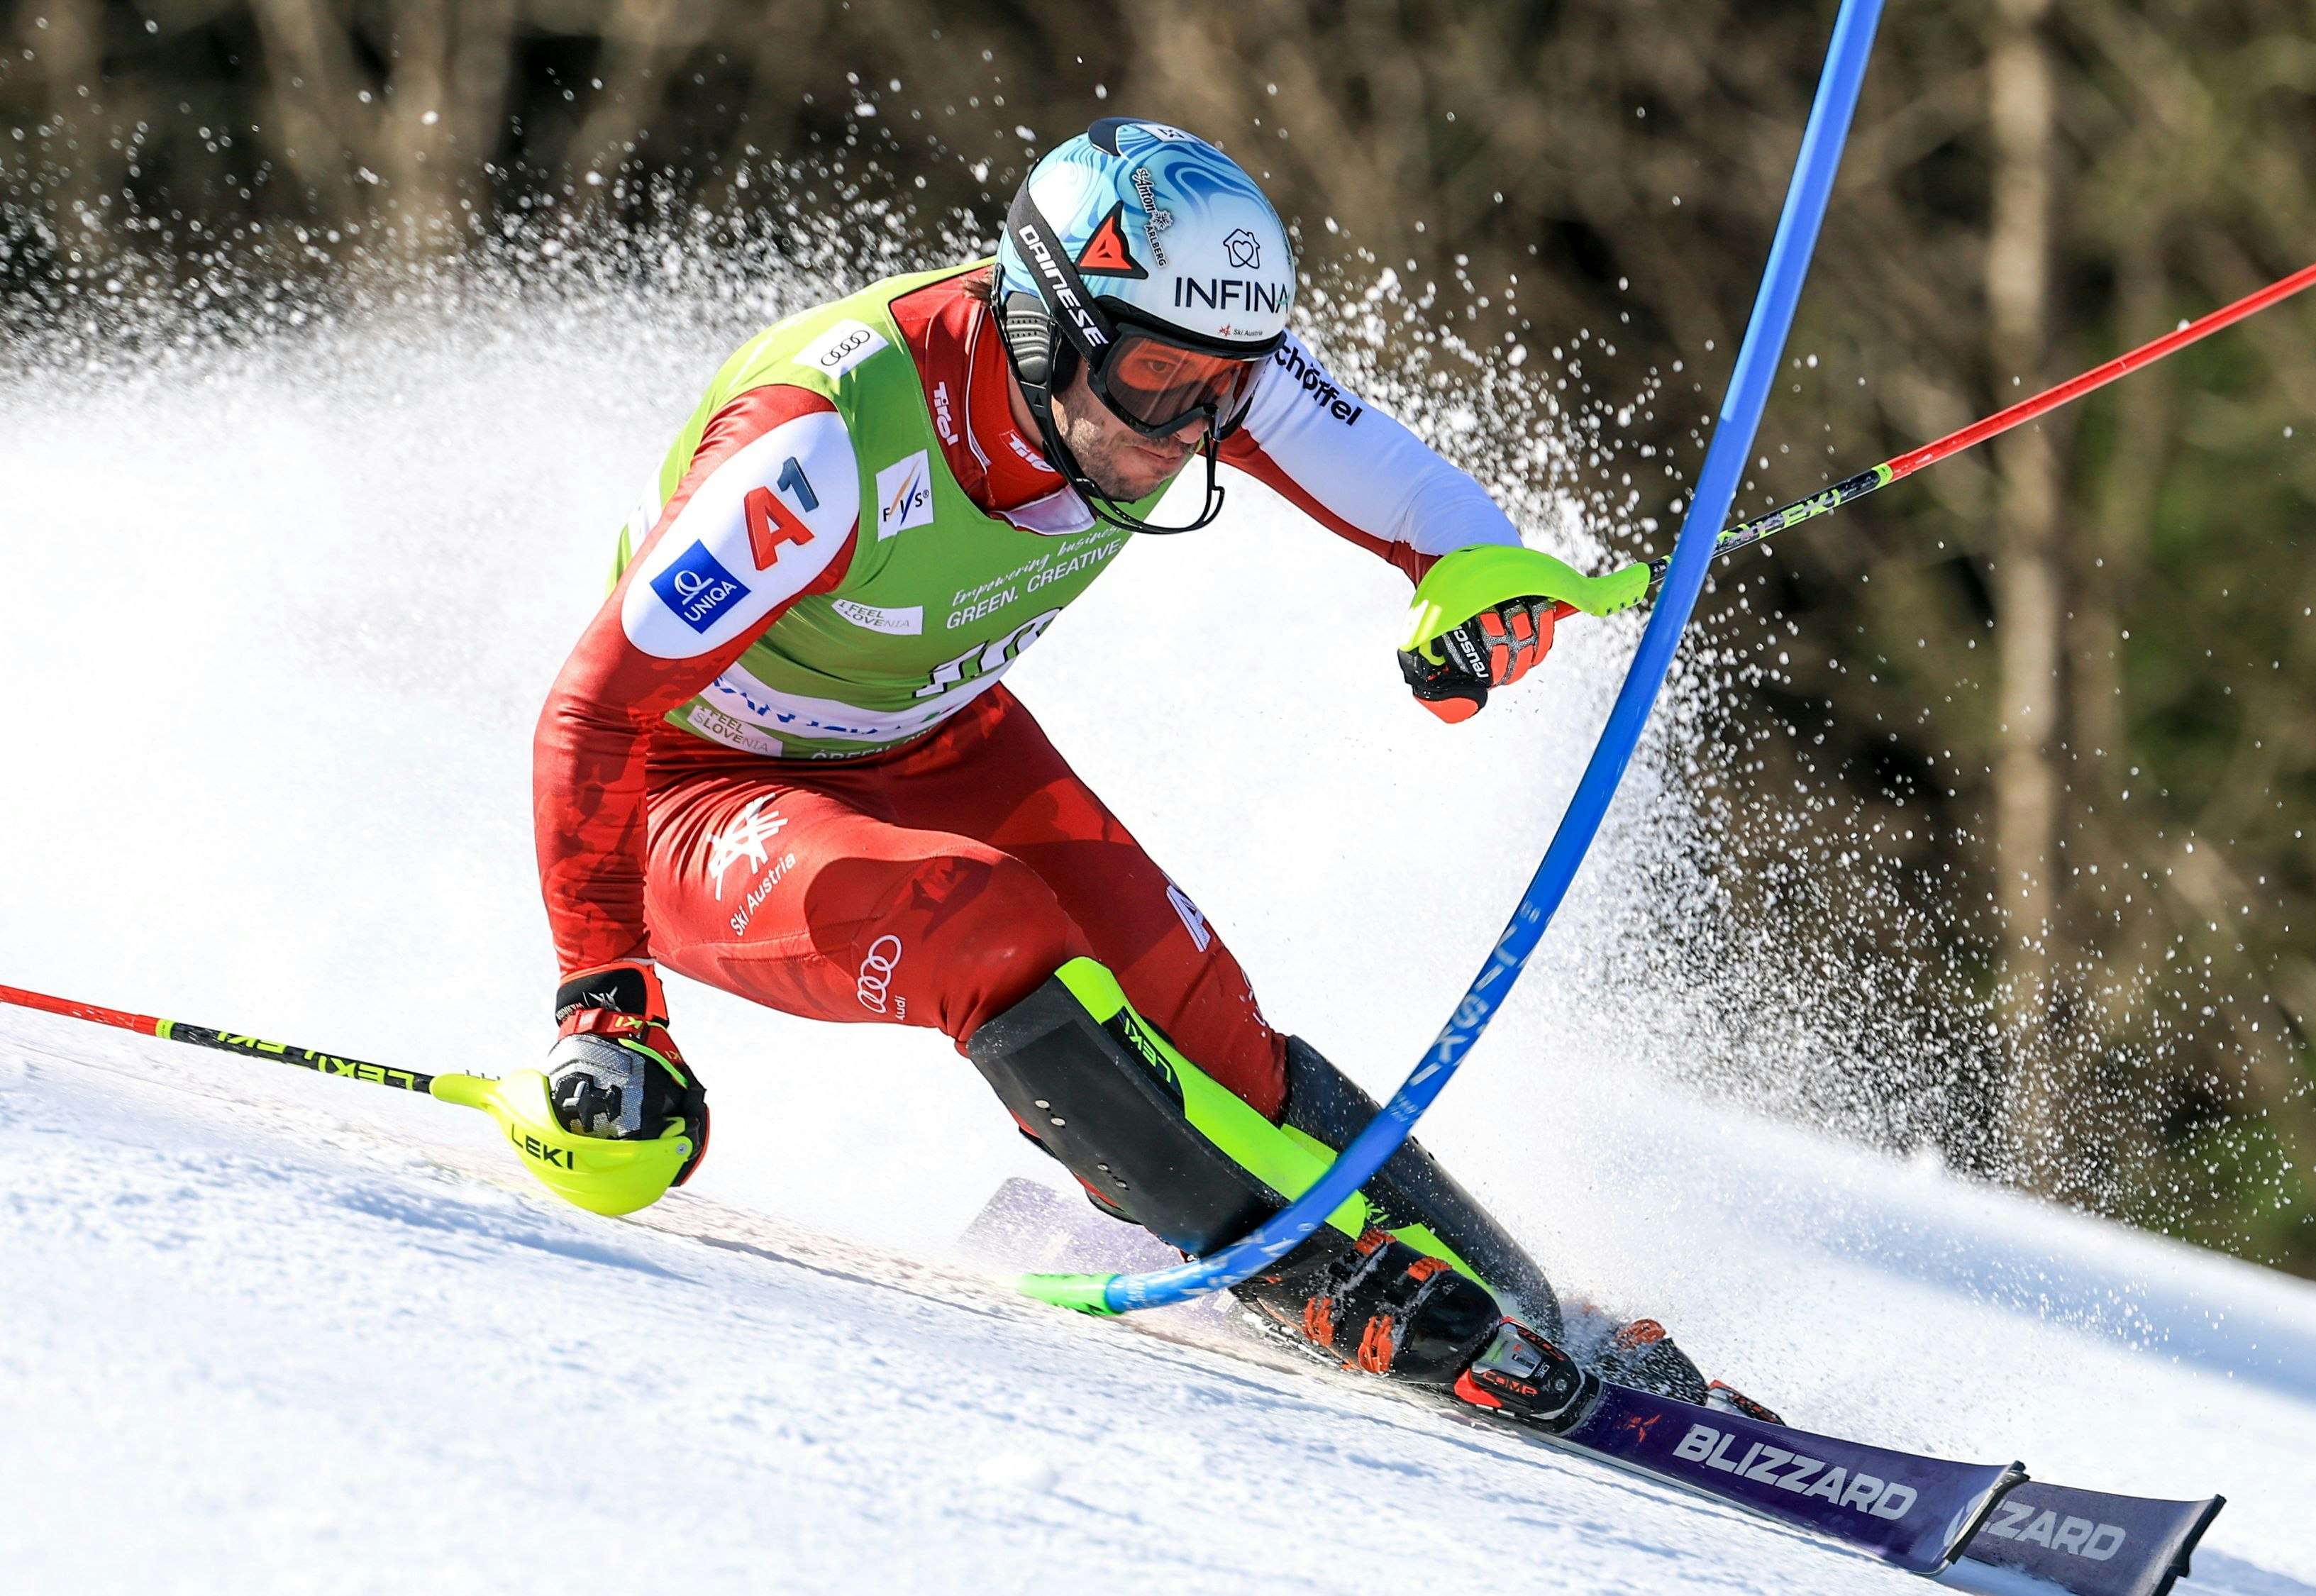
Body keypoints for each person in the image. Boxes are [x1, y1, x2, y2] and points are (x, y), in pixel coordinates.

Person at [528, 118, 1768, 1429]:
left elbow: (1412, 496)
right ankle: (1302, 1269)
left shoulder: (1175, 363)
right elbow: (591, 715)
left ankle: (1523, 1308)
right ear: (1041, 325)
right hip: (690, 792)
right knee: (985, 920)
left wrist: (1474, 579)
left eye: (1221, 389)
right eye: (1156, 379)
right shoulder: (823, 444)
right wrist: (606, 1007)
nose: (1185, 426)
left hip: (928, 737)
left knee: (1203, 1020)